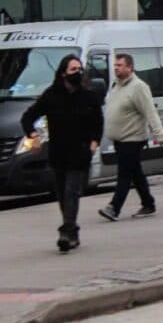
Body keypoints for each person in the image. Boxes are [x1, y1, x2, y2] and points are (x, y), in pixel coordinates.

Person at [20, 54, 103, 252]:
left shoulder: (88, 96)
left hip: (80, 153)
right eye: (73, 69)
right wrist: (33, 134)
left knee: (71, 193)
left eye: (80, 69)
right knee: (62, 196)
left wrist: (94, 142)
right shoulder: (52, 95)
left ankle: (65, 232)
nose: (78, 73)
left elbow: (97, 121)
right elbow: (28, 117)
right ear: (64, 72)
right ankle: (72, 232)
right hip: (58, 153)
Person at [98, 53, 163, 222]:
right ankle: (148, 203)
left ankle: (114, 208)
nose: (116, 68)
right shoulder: (116, 85)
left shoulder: (138, 87)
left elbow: (150, 111)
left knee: (124, 173)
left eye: (120, 65)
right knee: (135, 172)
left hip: (133, 138)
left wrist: (160, 134)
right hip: (120, 139)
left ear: (130, 67)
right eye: (115, 65)